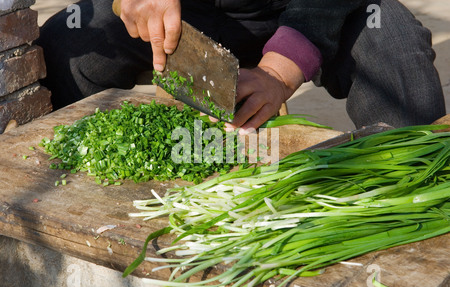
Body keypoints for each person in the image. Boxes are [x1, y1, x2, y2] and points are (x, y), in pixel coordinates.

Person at [36, 0, 446, 134]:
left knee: (393, 42)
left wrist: (279, 71)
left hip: (313, 8)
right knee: (68, 39)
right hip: (187, 10)